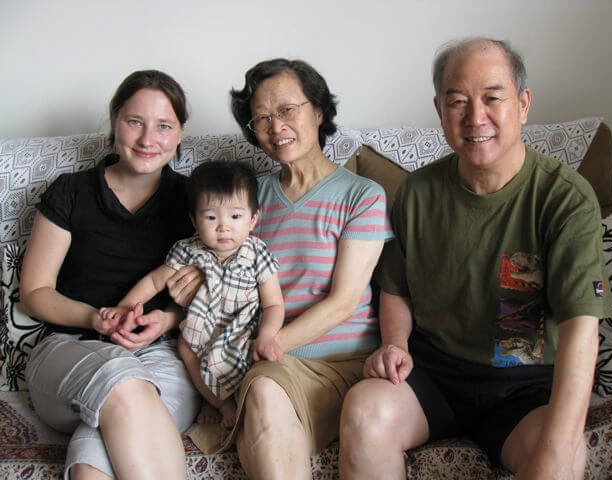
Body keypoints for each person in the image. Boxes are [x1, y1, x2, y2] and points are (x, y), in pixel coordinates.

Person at [339, 38, 612, 479]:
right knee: (365, 412)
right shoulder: (416, 194)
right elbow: (396, 289)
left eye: (492, 98)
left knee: (562, 460)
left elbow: (582, 328)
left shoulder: (564, 200)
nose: (475, 117)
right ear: (439, 110)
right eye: (458, 101)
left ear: (523, 104)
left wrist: (561, 441)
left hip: (526, 388)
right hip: (434, 374)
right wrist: (395, 345)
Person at [20, 70, 202, 480]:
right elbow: (34, 292)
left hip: (160, 354)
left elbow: (207, 291)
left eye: (164, 126)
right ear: (114, 120)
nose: (147, 139)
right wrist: (93, 317)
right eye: (135, 121)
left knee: (93, 462)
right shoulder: (71, 191)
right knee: (123, 383)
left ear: (179, 134)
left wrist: (167, 320)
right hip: (69, 349)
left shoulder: (195, 200)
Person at [218, 58, 393, 478]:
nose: (275, 126)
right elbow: (228, 279)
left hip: (347, 362)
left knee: (264, 379)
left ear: (318, 111)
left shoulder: (362, 195)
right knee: (262, 390)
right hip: (278, 366)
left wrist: (267, 346)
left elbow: (344, 301)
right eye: (261, 118)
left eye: (287, 110)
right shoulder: (249, 200)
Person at [99, 160, 285, 428]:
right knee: (186, 347)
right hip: (201, 329)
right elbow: (154, 280)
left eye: (235, 216)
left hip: (243, 330)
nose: (223, 227)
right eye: (211, 217)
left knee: (258, 361)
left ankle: (242, 401)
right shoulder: (187, 250)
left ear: (253, 219)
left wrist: (267, 336)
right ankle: (217, 402)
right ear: (194, 220)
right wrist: (126, 305)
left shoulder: (258, 253)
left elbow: (274, 304)